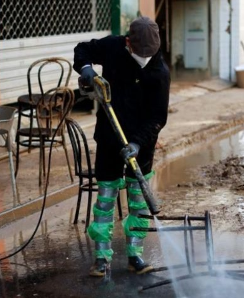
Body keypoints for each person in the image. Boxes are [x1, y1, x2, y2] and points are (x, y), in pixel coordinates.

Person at [73, 17, 170, 277]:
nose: (145, 59)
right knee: (105, 200)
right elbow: (82, 49)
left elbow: (158, 117)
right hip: (109, 138)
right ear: (128, 43)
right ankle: (101, 257)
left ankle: (135, 256)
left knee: (138, 204)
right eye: (140, 54)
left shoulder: (159, 71)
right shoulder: (114, 47)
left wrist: (138, 143)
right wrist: (85, 68)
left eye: (150, 54)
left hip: (141, 147)